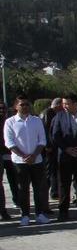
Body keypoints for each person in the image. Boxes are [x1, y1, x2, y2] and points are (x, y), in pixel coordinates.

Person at [3, 95, 50, 226]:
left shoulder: (36, 120)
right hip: (19, 161)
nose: (25, 107)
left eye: (27, 104)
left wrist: (34, 155)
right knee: (23, 189)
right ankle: (25, 215)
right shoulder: (10, 122)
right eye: (22, 104)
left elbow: (42, 140)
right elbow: (9, 142)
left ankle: (40, 214)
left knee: (38, 188)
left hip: (37, 160)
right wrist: (24, 156)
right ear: (16, 106)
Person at [41, 97, 63, 201]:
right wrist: (48, 145)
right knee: (49, 171)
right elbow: (46, 130)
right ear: (58, 105)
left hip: (54, 147)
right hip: (49, 148)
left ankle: (55, 192)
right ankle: (46, 193)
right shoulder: (48, 113)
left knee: (55, 170)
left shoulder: (52, 113)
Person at [0, 99, 17, 219]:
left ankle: (16, 201)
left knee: (14, 180)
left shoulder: (11, 121)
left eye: (3, 108)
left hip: (10, 153)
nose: (2, 111)